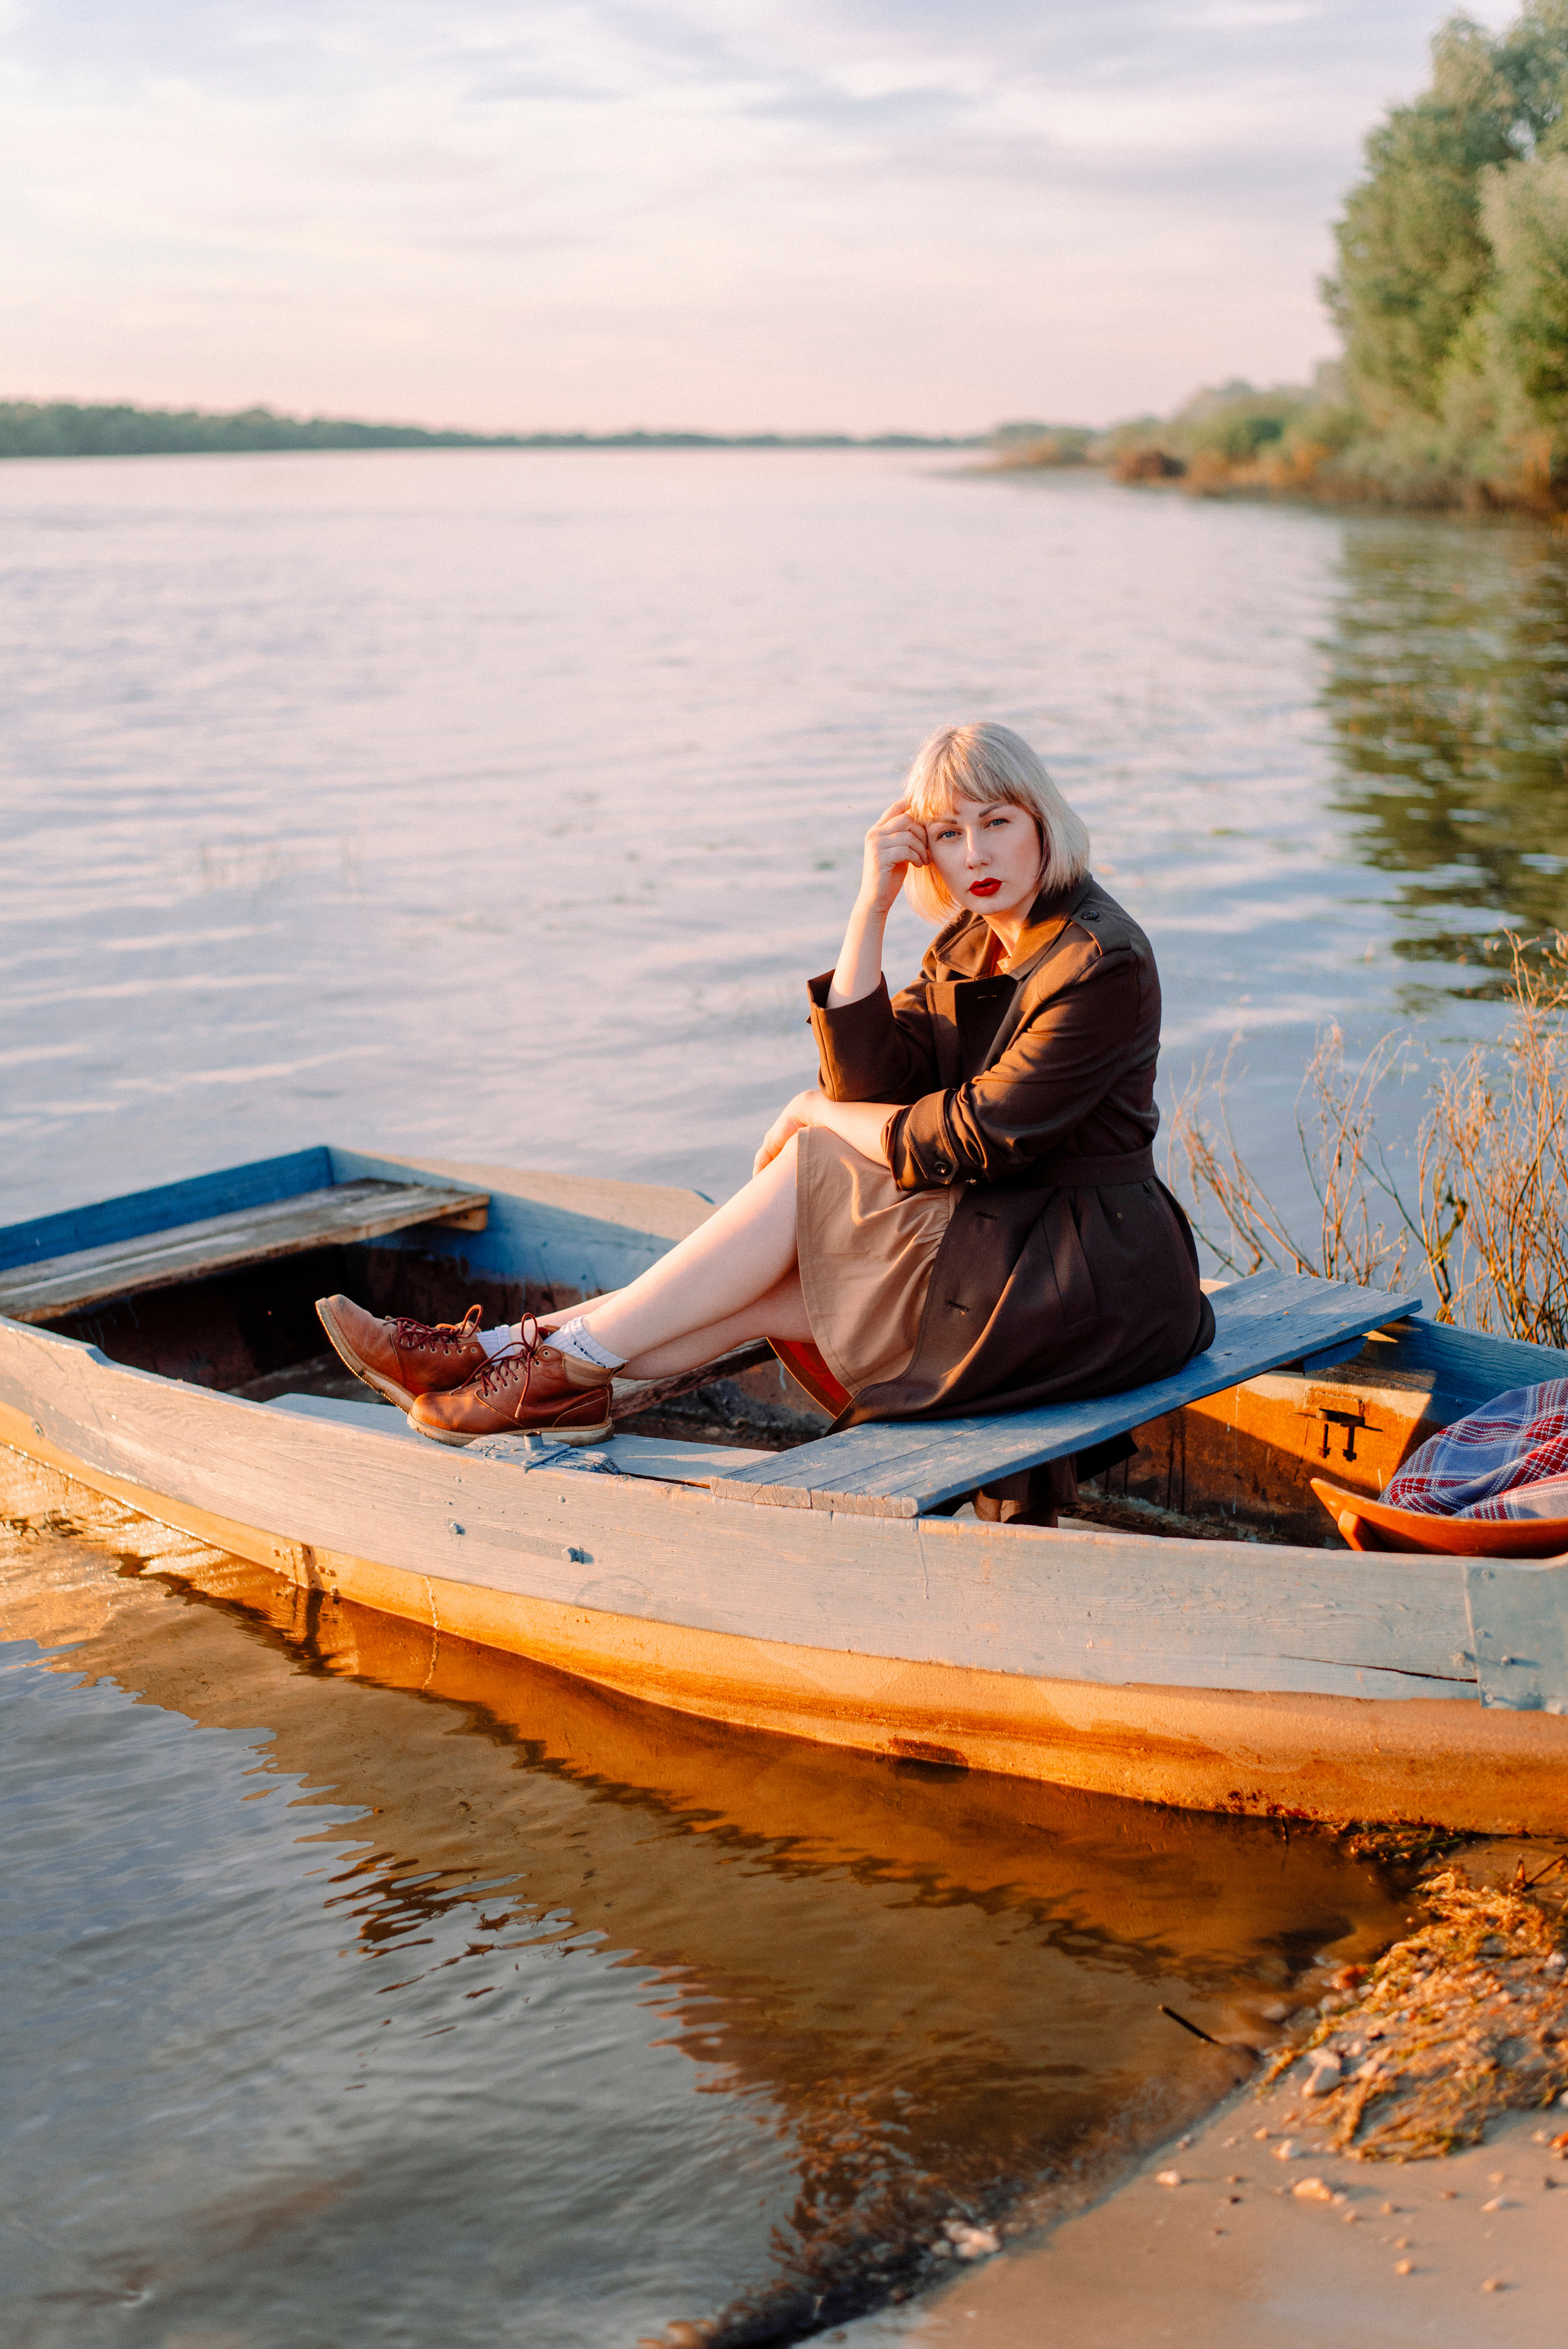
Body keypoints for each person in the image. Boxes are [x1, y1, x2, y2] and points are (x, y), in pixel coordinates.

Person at [316, 722, 1214, 1501]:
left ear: (1042, 823)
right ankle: (538, 1363)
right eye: (947, 833)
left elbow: (973, 1136)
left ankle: (533, 1362)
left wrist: (810, 1113)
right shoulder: (973, 938)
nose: (974, 854)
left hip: (1092, 1276)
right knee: (768, 1291)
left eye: (996, 823)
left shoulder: (1100, 961)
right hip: (1002, 1236)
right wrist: (870, 906)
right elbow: (874, 1084)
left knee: (812, 1166)